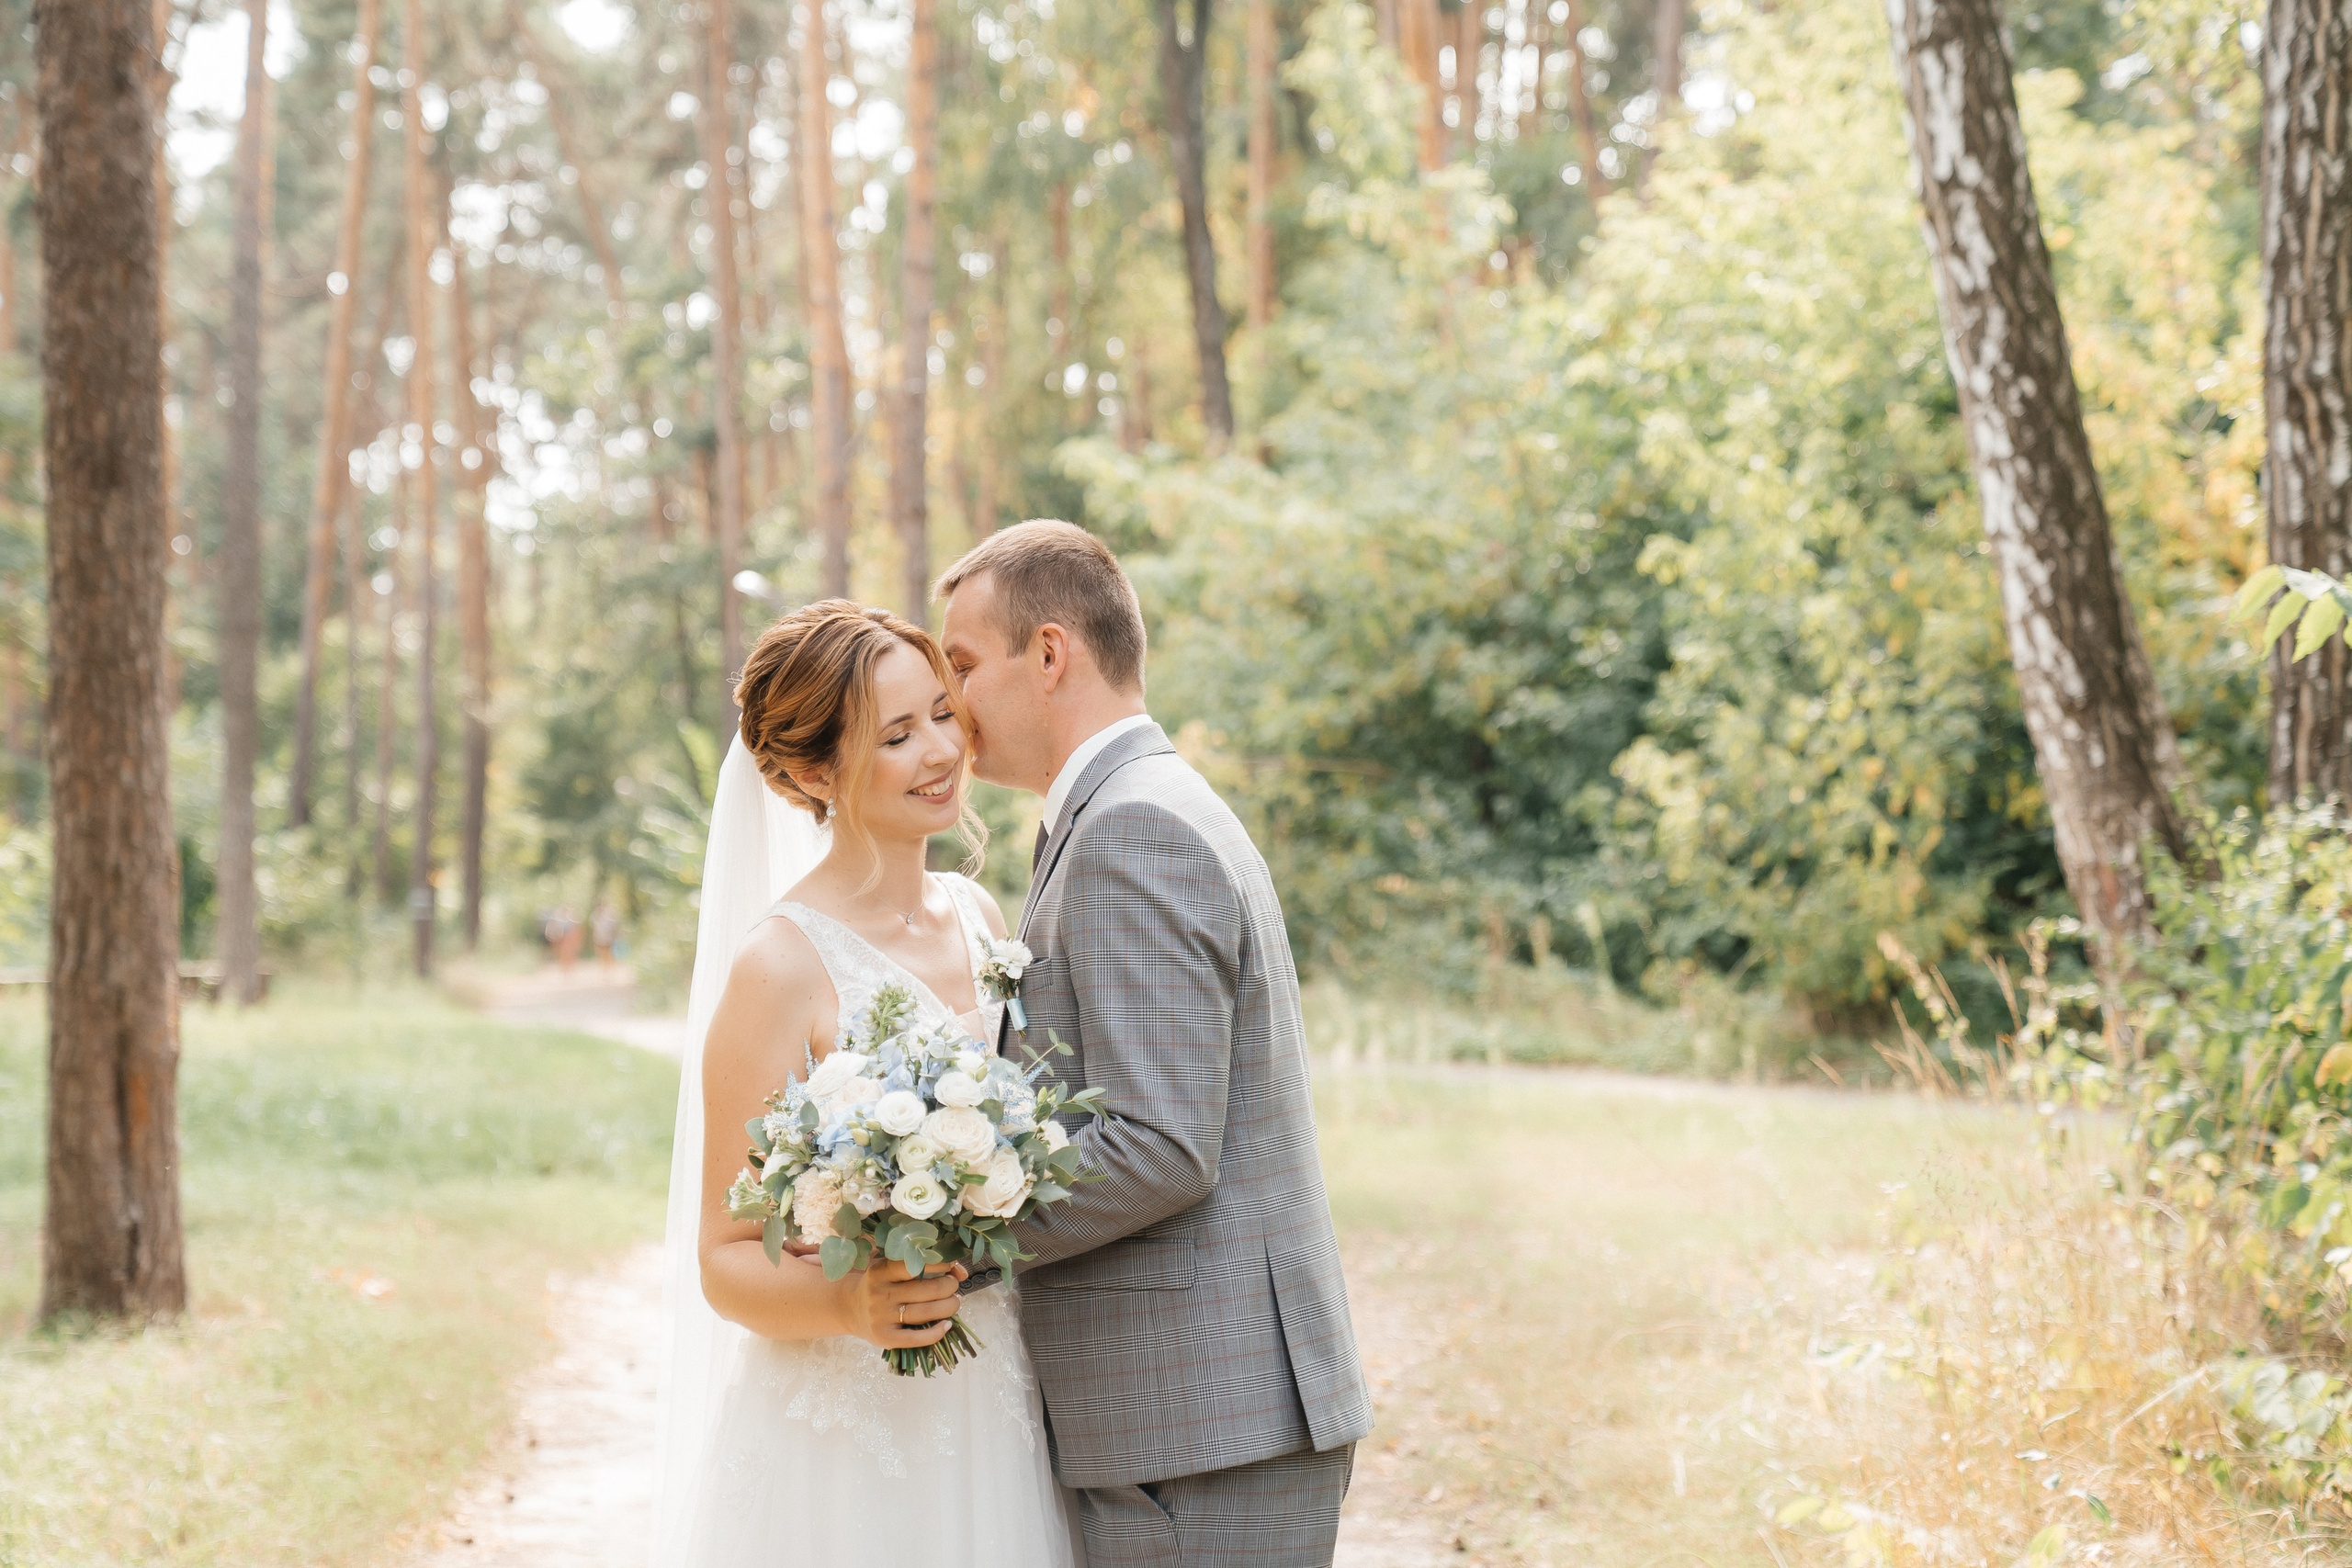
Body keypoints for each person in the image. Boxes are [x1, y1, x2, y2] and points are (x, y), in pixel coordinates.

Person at [936, 521, 1372, 1567]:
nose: (951, 702)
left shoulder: (1134, 829)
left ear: (1048, 655)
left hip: (1202, 1423)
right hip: (1193, 1420)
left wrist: (943, 1234)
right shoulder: (1129, 809)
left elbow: (1158, 1143)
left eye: (961, 664)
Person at [649, 602, 1079, 1567]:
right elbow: (723, 1256)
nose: (940, 751)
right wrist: (849, 1306)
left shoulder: (975, 912)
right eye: (895, 735)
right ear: (811, 773)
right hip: (847, 1427)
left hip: (992, 1389)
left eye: (939, 712)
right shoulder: (779, 965)